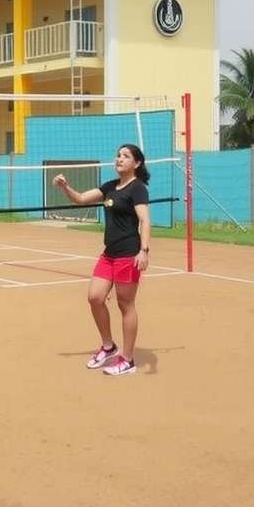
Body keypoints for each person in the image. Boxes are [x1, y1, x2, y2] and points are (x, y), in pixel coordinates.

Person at [53, 144, 151, 376]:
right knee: (95, 297)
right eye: (118, 155)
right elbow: (81, 199)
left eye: (125, 156)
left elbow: (145, 220)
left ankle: (128, 360)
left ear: (137, 163)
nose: (119, 159)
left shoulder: (138, 188)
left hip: (128, 253)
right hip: (109, 254)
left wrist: (144, 251)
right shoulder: (110, 186)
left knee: (125, 304)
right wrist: (65, 187)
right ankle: (108, 346)